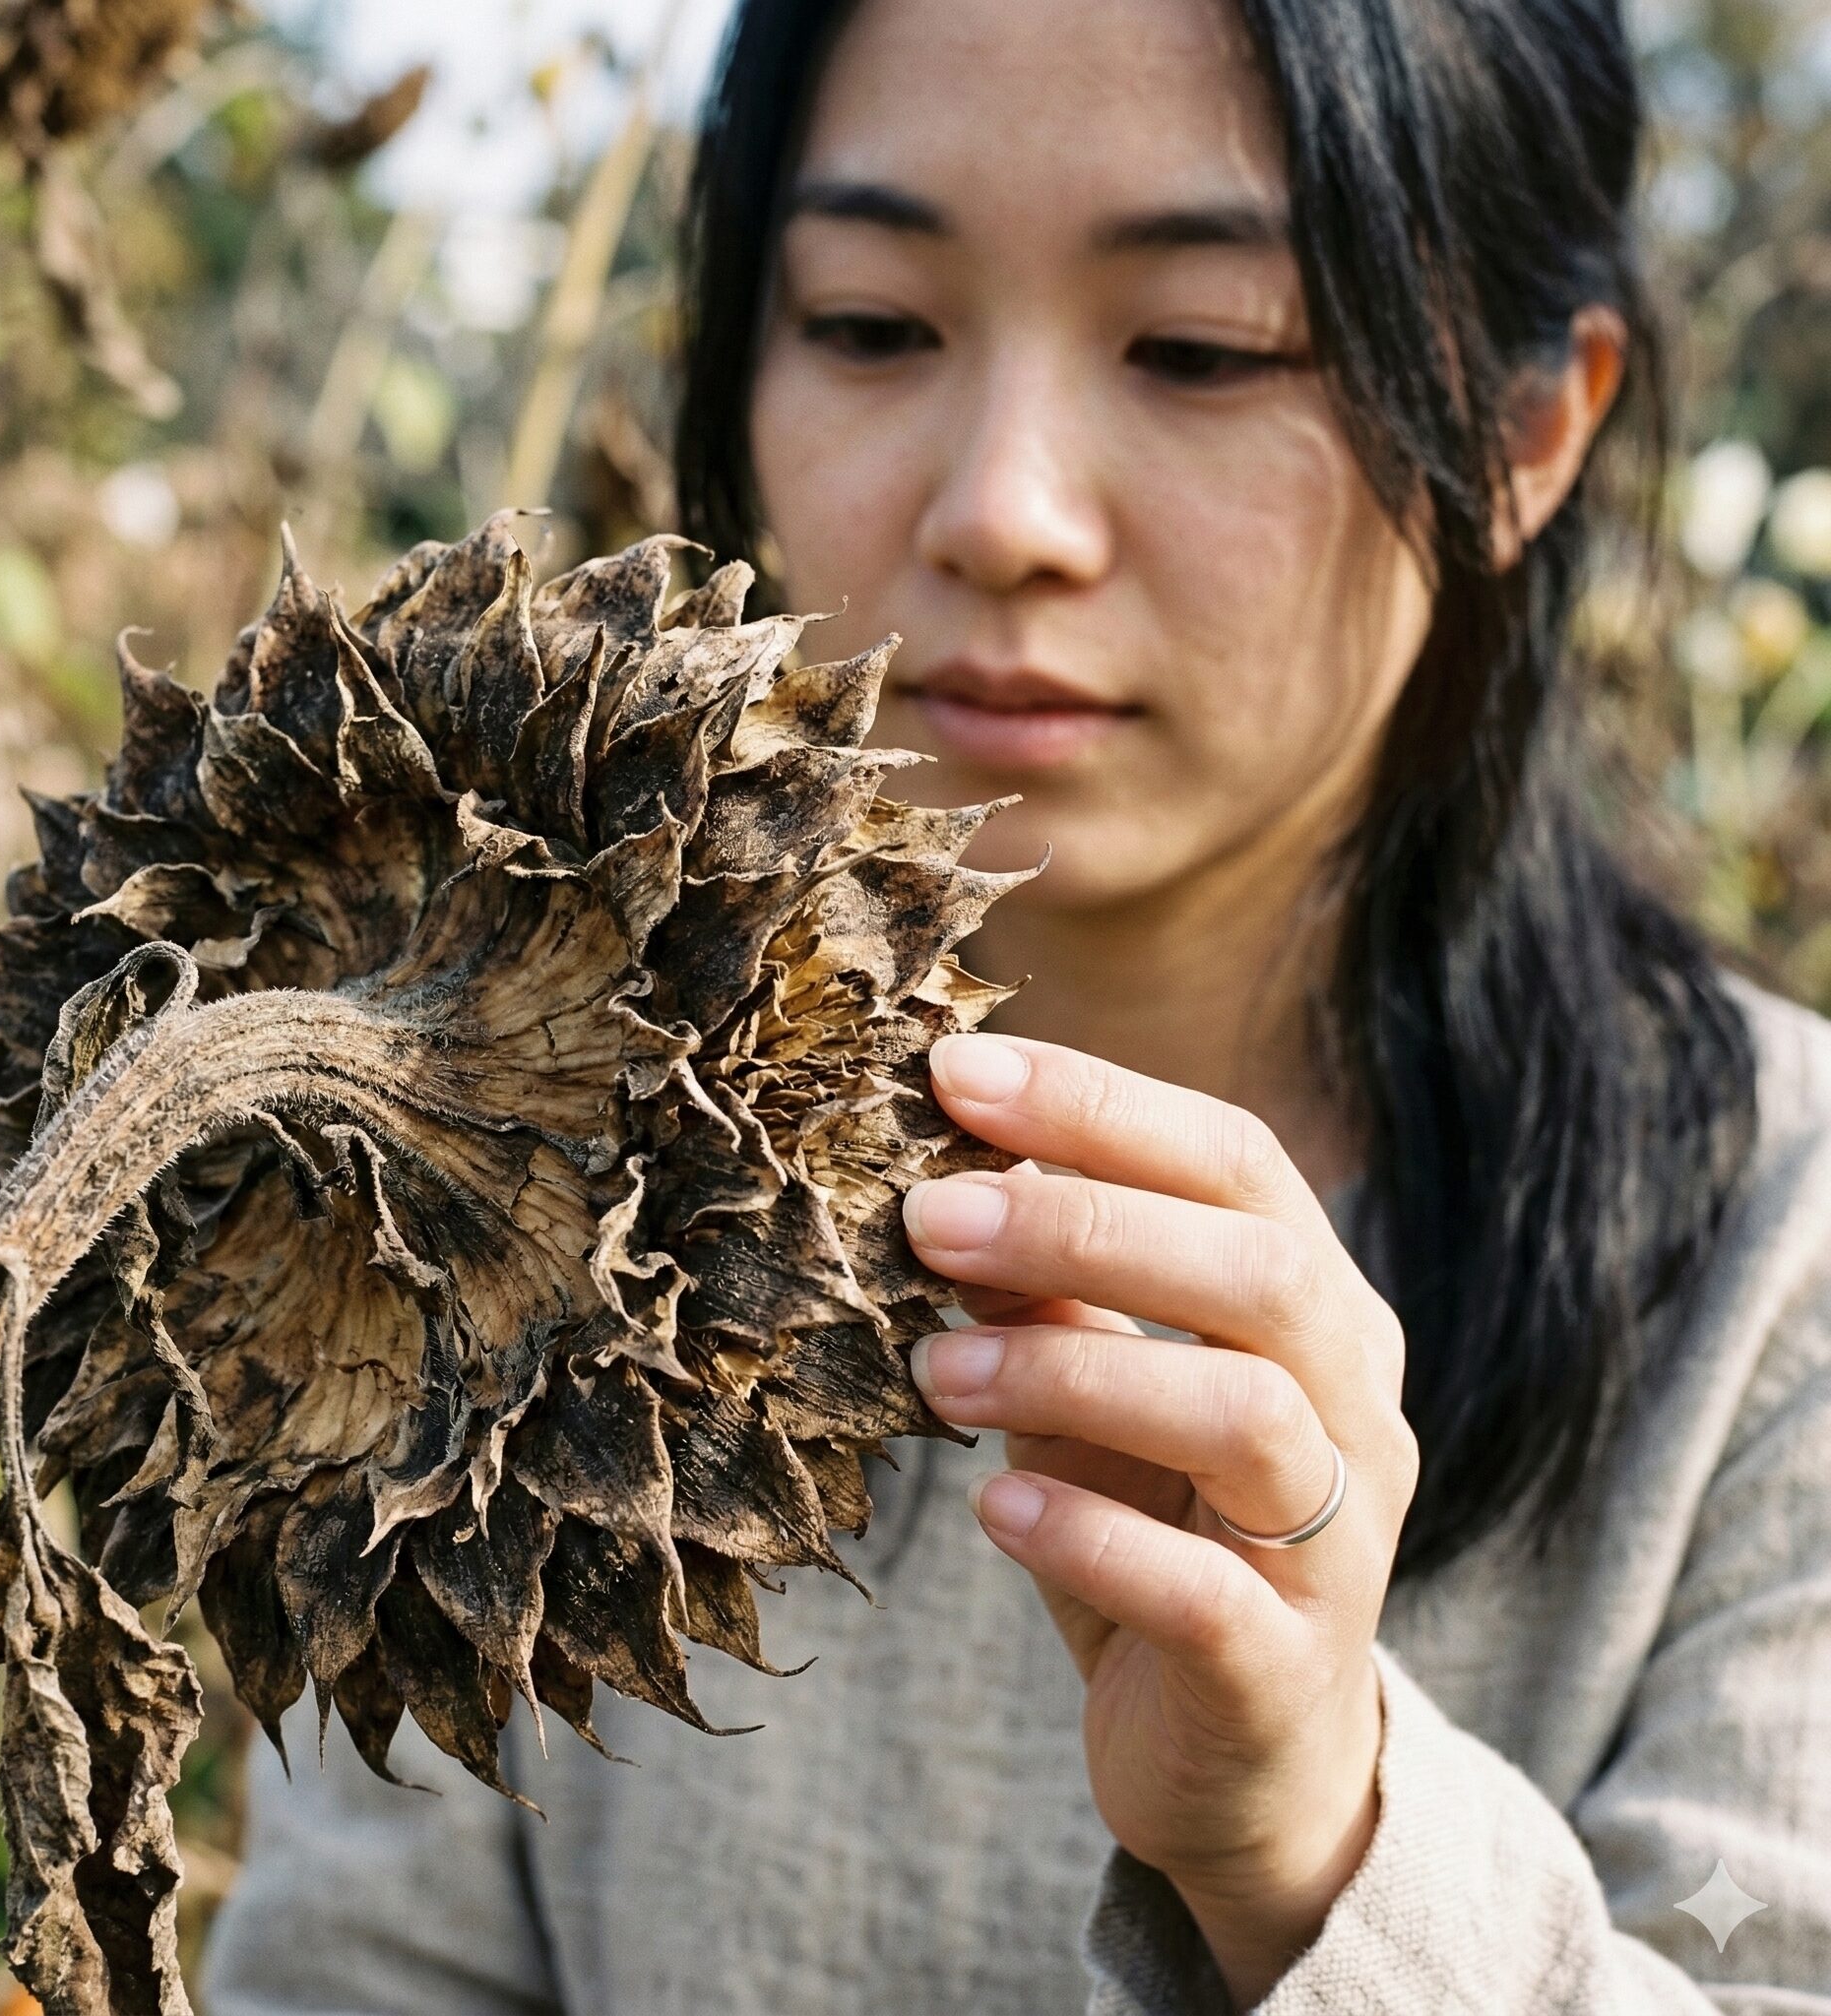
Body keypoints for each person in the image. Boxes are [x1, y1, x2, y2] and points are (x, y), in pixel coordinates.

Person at [205, 0, 1831, 2008]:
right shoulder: (491, 1130)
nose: (1002, 508)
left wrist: (1316, 1842)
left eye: (1202, 347)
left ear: (1524, 430)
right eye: (873, 323)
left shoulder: (1785, 1259)